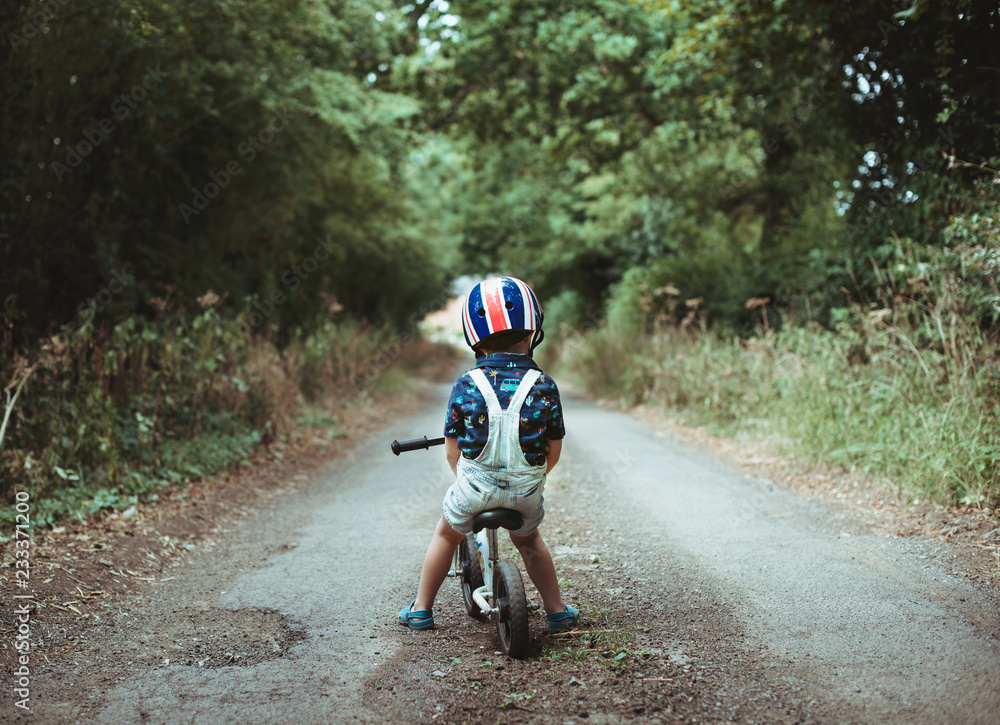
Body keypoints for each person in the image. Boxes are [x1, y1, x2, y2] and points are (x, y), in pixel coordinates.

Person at [398, 276, 579, 634]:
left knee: (446, 535)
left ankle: (421, 609)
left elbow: (454, 450)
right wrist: (532, 478)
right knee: (530, 543)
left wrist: (467, 476)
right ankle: (557, 611)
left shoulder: (466, 384)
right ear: (532, 333)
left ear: (473, 338)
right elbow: (552, 451)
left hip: (475, 487)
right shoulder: (544, 385)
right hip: (525, 491)